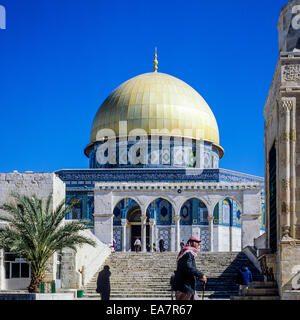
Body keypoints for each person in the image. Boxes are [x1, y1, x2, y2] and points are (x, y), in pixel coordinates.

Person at [173, 236, 207, 300]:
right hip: (185, 287)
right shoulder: (188, 253)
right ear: (194, 244)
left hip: (188, 286)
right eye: (198, 245)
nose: (199, 247)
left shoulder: (187, 253)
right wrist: (201, 275)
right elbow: (188, 267)